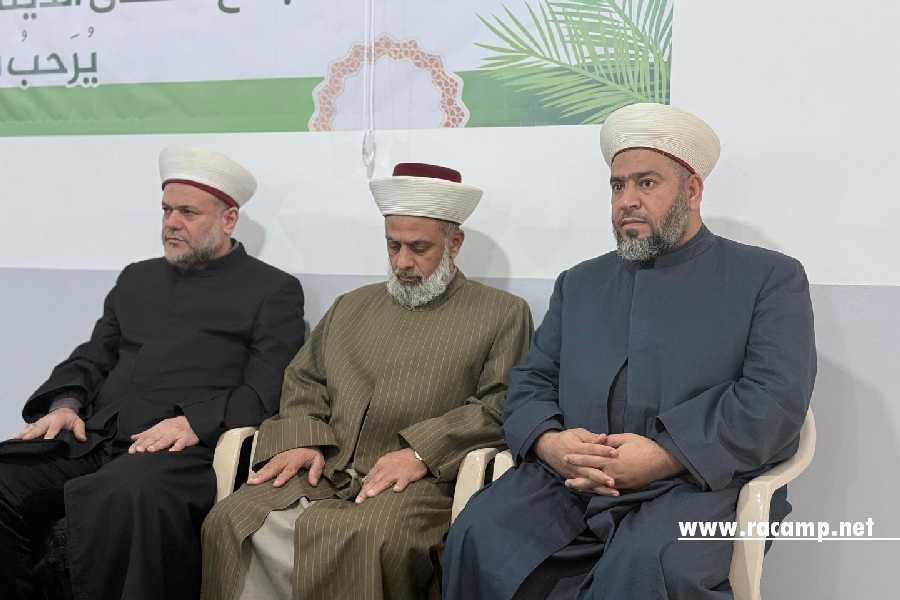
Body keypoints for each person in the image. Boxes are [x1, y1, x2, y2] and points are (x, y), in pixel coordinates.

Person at [443, 103, 817, 600]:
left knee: (653, 563)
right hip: (571, 482)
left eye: (647, 183)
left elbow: (774, 399)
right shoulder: (580, 283)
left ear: (692, 191)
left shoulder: (769, 278)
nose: (627, 201)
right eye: (618, 186)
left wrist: (664, 455)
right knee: (479, 534)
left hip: (699, 482)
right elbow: (532, 381)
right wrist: (552, 444)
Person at [201, 162, 534, 600]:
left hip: (422, 481)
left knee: (368, 536)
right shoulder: (350, 306)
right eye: (393, 245)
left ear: (454, 243)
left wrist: (420, 453)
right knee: (229, 520)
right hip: (328, 465)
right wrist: (304, 441)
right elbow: (305, 379)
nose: (402, 262)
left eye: (419, 248)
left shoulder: (502, 313)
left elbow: (499, 403)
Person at [0, 145, 306, 600]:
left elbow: (267, 389)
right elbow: (93, 355)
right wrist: (65, 404)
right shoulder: (136, 278)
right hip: (97, 436)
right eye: (166, 210)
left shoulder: (273, 290)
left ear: (228, 220)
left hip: (179, 449)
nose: (171, 223)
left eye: (188, 212)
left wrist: (193, 422)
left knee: (125, 493)